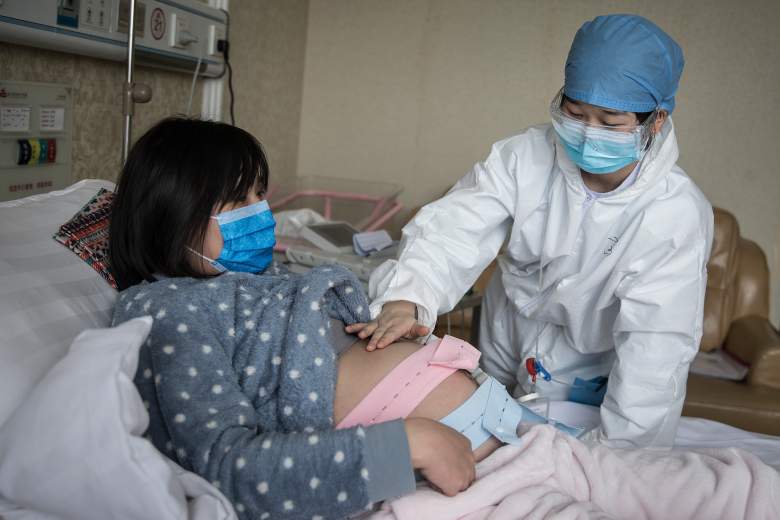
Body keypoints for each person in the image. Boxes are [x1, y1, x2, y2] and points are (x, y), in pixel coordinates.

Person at [110, 117, 498, 520]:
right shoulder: (167, 309)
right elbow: (227, 468)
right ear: (168, 214)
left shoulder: (262, 281)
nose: (260, 212)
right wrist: (402, 448)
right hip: (431, 469)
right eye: (236, 200)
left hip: (484, 440)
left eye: (259, 194)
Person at [355, 14, 714, 448]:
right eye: (575, 113)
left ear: (654, 121)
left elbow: (656, 347)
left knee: (585, 469)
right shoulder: (523, 157)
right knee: (486, 443)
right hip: (508, 331)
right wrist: (407, 296)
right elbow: (454, 227)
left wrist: (626, 455)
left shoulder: (674, 214)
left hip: (592, 368)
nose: (587, 133)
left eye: (610, 121)